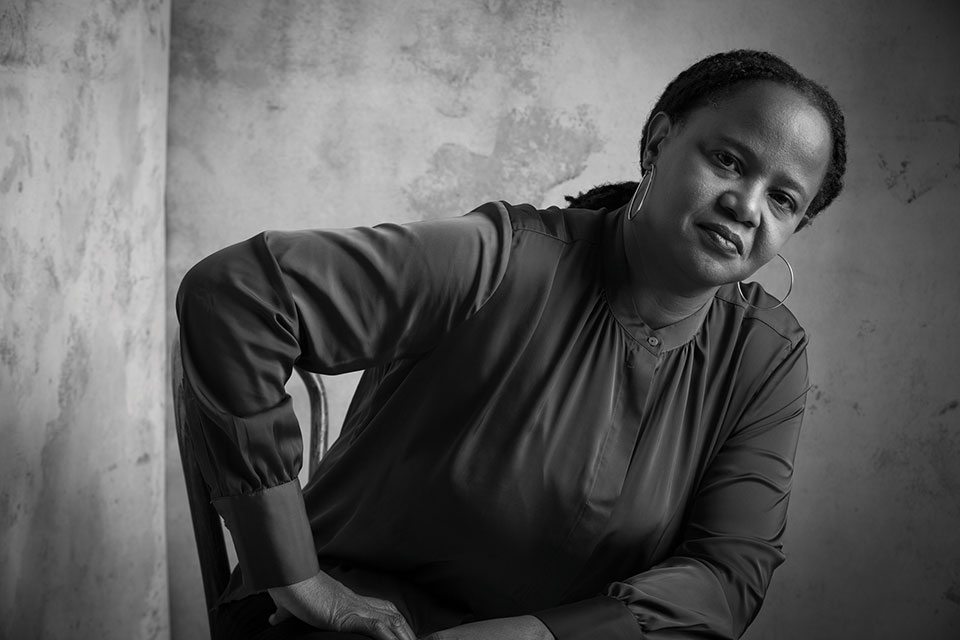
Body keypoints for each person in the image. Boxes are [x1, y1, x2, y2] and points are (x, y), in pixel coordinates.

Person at [176, 49, 847, 640]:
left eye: (784, 200)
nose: (748, 205)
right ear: (659, 144)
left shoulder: (766, 354)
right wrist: (294, 575)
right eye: (729, 161)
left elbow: (728, 573)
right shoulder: (500, 258)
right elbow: (234, 297)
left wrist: (534, 636)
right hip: (365, 620)